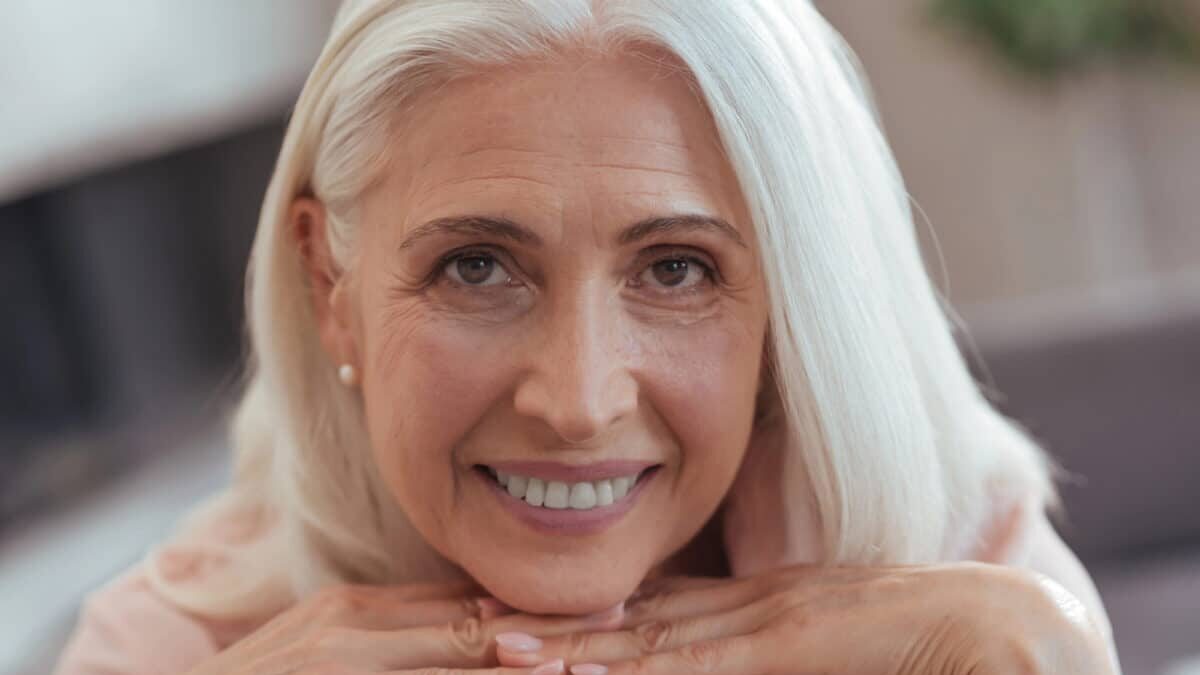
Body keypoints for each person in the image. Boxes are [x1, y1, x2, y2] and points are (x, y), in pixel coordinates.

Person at [54, 1, 1121, 673]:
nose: (577, 400)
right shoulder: (179, 654)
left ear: (793, 304)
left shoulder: (960, 583)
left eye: (676, 270)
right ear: (330, 284)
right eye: (476, 266)